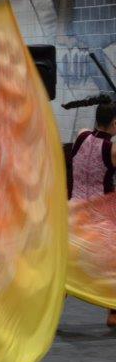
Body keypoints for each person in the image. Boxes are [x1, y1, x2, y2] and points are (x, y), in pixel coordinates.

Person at [69, 102, 116, 327]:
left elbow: (90, 133)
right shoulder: (112, 150)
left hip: (74, 213)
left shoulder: (81, 136)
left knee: (66, 261)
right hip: (99, 218)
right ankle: (113, 312)